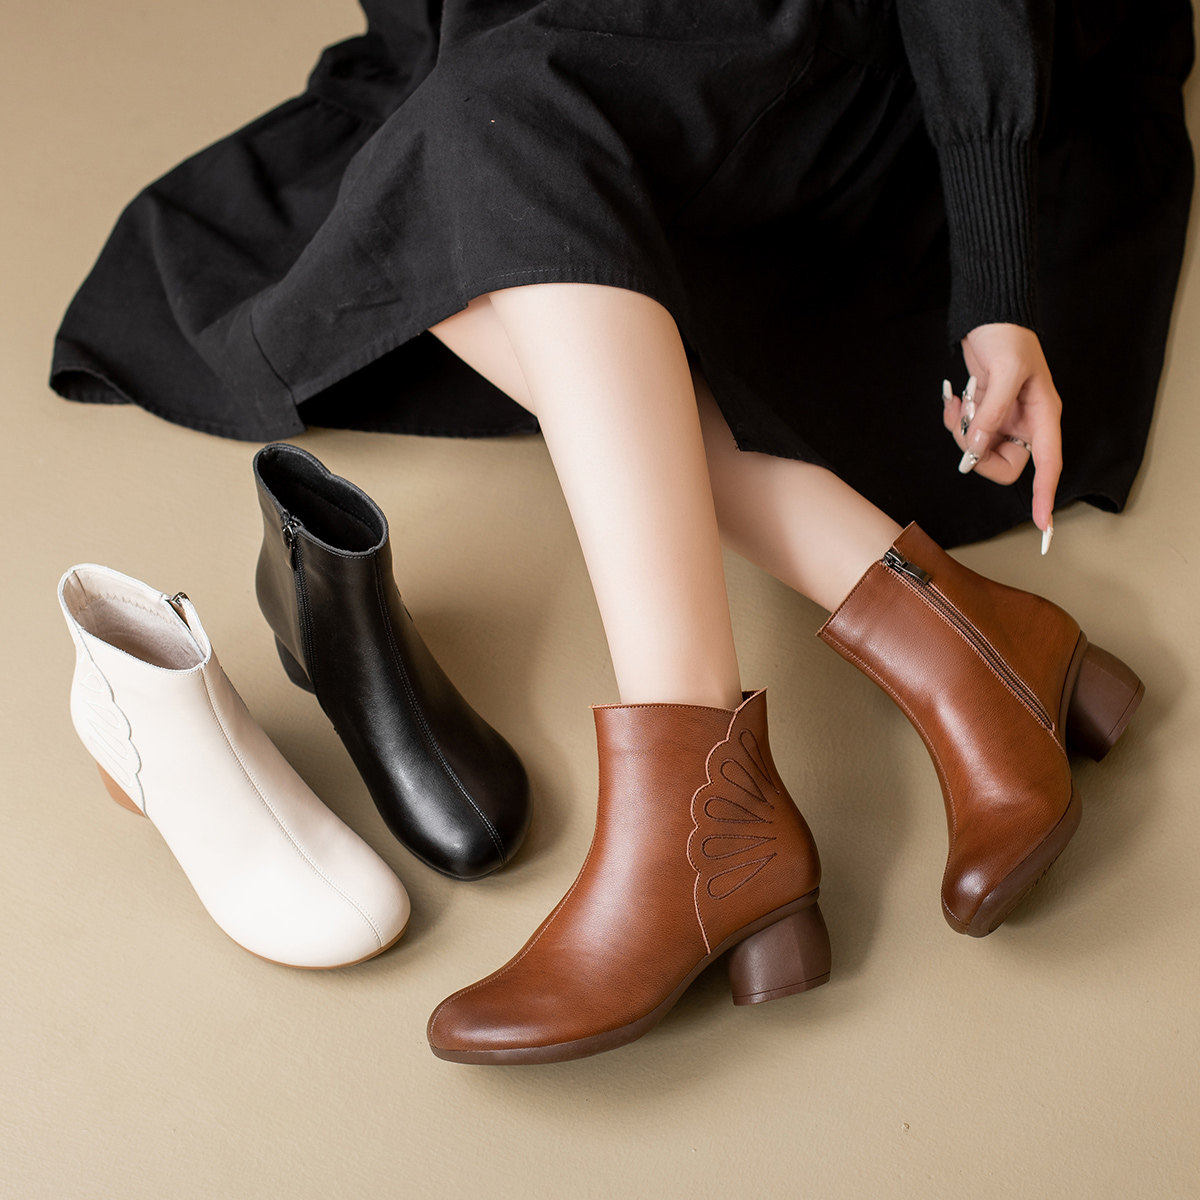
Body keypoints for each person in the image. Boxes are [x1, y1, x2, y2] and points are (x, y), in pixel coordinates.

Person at [52, 2, 1192, 1062]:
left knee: (492, 130)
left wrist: (996, 276)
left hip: (886, 55)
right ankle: (963, 642)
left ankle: (703, 820)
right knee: (433, 170)